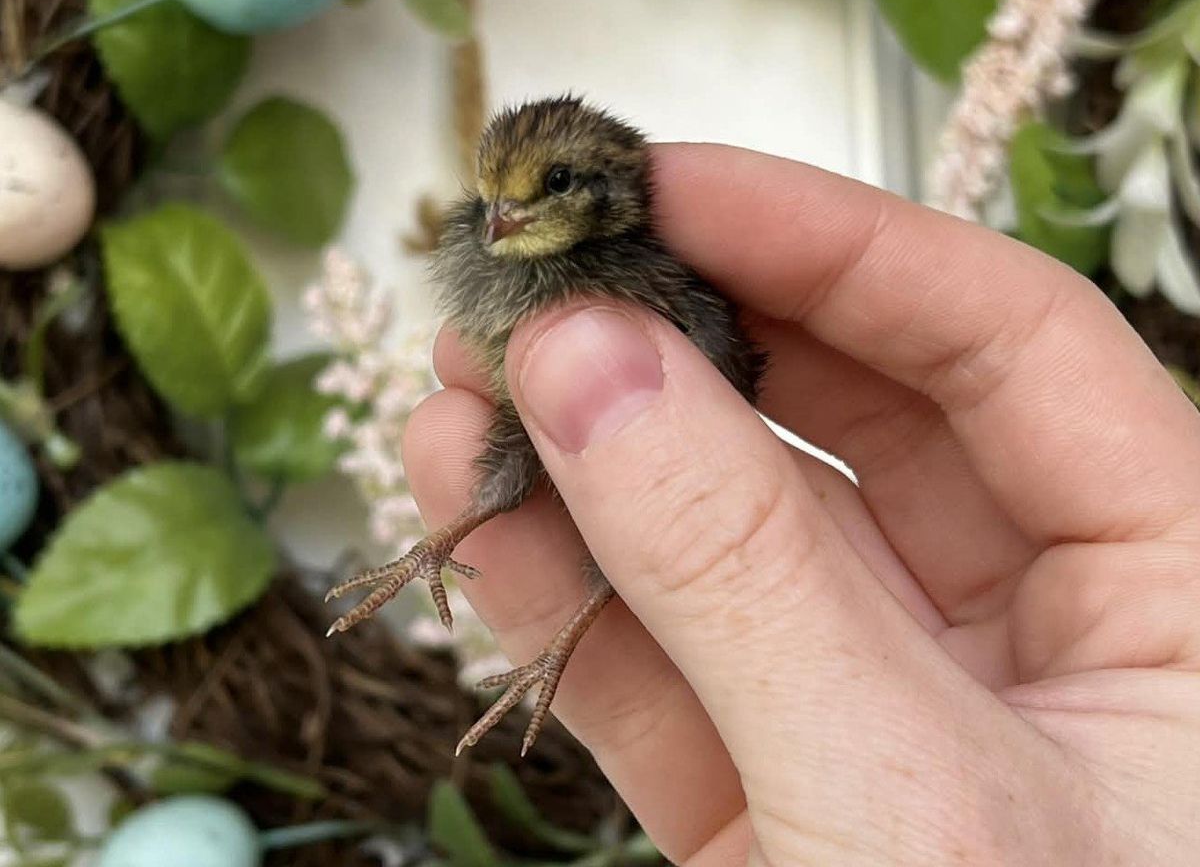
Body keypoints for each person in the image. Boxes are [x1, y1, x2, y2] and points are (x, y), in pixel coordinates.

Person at [403, 143, 1200, 864]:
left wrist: (678, 463)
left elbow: (716, 359)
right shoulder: (496, 249)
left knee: (612, 561)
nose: (500, 219)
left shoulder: (639, 280)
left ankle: (551, 646)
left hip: (648, 434)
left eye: (545, 189)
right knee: (500, 468)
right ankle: (441, 558)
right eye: (491, 199)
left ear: (608, 195)